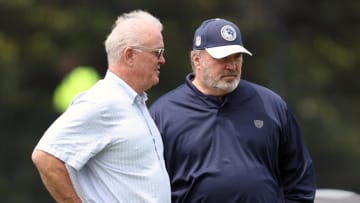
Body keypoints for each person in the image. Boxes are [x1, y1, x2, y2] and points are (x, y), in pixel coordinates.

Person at [150, 18, 316, 203]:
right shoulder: (163, 114)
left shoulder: (271, 106)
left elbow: (300, 180)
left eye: (237, 56)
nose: (232, 66)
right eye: (222, 58)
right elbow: (150, 188)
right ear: (197, 60)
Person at [31, 10, 171, 203]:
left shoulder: (134, 101)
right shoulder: (103, 102)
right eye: (157, 52)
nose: (162, 60)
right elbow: (45, 156)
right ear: (129, 55)